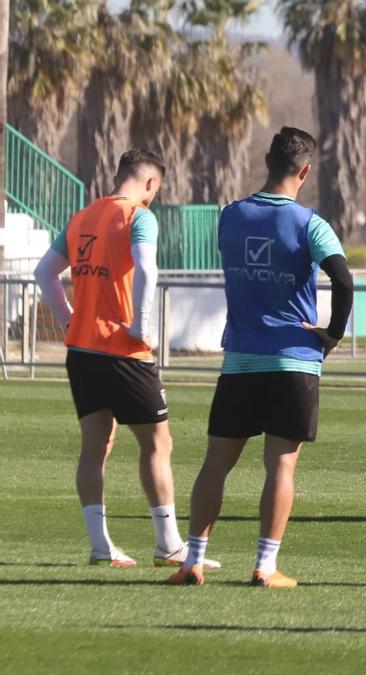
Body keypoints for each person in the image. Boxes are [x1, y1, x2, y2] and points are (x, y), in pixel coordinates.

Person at [167, 127, 353, 588]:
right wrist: (331, 334)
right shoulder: (311, 223)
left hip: (241, 361)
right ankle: (265, 566)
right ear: (304, 171)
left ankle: (193, 559)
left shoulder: (230, 216)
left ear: (266, 162)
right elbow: (344, 281)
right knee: (281, 466)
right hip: (293, 360)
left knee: (215, 464)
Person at [33, 149, 218, 570]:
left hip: (81, 351)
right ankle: (169, 545)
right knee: (158, 444)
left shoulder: (83, 218)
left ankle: (100, 546)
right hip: (123, 350)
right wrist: (141, 324)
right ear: (150, 183)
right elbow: (147, 270)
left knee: (94, 447)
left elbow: (44, 272)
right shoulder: (139, 216)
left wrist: (69, 320)